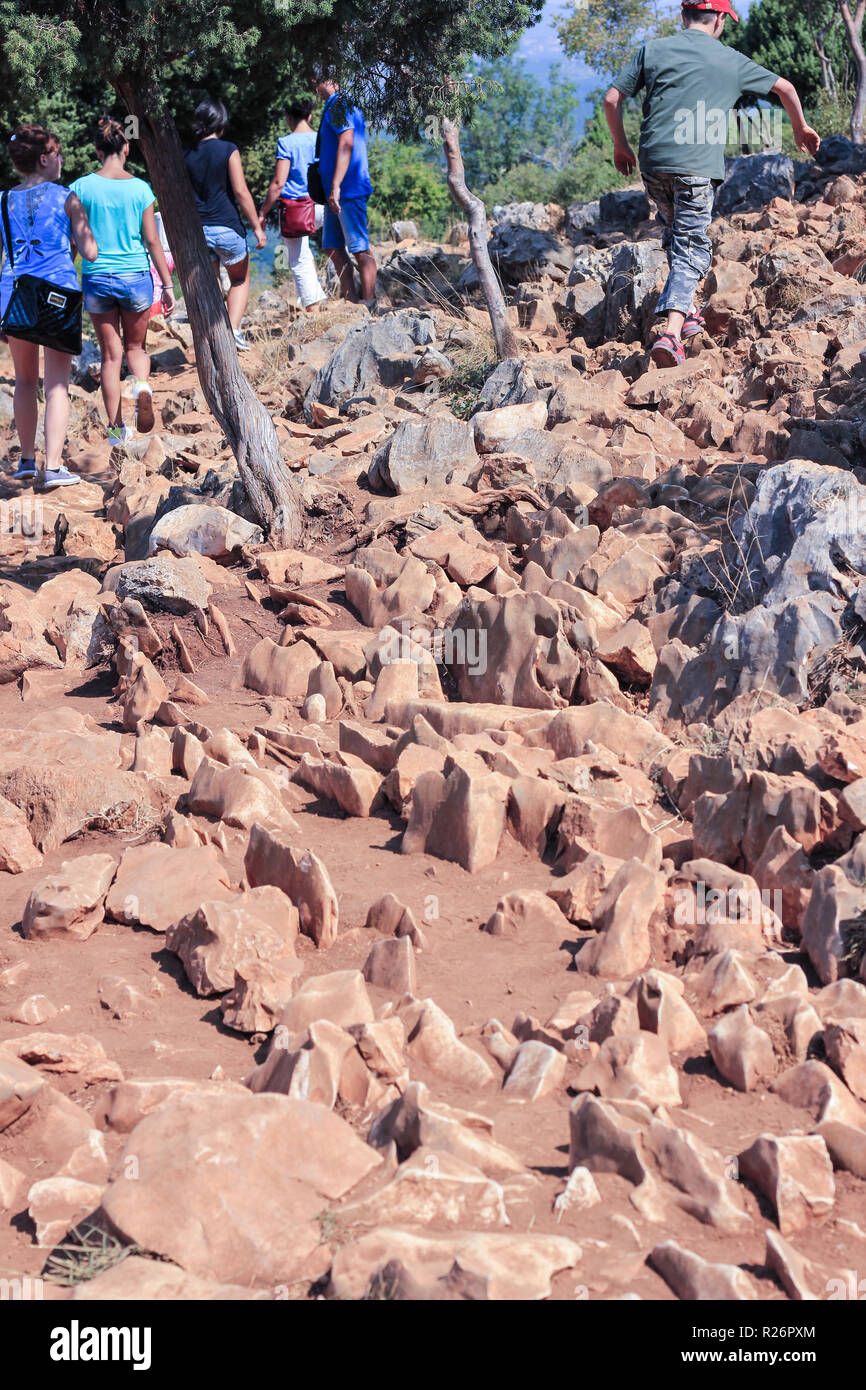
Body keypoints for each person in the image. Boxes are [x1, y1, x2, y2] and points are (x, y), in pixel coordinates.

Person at [604, 0, 820, 367]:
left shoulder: (652, 50)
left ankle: (687, 311)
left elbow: (612, 99)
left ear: (683, 15)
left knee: (675, 231)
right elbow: (785, 88)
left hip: (653, 163)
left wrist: (621, 146)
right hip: (695, 166)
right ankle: (672, 334)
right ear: (720, 19)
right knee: (693, 246)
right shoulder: (730, 58)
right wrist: (800, 127)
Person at [0, 123, 98, 488]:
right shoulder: (68, 198)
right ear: (44, 158)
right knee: (56, 384)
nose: (61, 160)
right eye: (58, 153)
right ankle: (53, 467)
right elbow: (89, 250)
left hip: (15, 295)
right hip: (57, 296)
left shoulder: (2, 200)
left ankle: (26, 460)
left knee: (25, 381)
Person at [71, 118, 175, 442]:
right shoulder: (140, 188)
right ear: (126, 147)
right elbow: (153, 241)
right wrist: (168, 284)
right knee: (135, 347)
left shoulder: (80, 188)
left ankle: (116, 431)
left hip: (98, 278)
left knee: (110, 356)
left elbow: (75, 242)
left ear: (97, 150)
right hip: (136, 277)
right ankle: (142, 383)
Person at [183, 98, 266, 350]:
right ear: (221, 121)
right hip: (227, 227)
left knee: (214, 281)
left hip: (199, 231)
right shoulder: (228, 149)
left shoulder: (186, 153)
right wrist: (257, 228)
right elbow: (240, 191)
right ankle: (234, 331)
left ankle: (217, 334)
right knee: (240, 280)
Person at [312, 70, 376, 306]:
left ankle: (368, 303)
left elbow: (346, 142)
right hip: (335, 193)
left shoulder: (341, 103)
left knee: (360, 248)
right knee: (332, 247)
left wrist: (336, 186)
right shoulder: (333, 105)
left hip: (347, 189)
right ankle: (351, 303)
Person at [260, 98, 326, 310]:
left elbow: (279, 183)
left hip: (297, 209)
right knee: (317, 251)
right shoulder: (321, 139)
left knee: (298, 260)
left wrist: (263, 212)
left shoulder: (286, 143)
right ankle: (330, 296)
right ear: (309, 116)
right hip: (323, 206)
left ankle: (313, 308)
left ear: (289, 119)